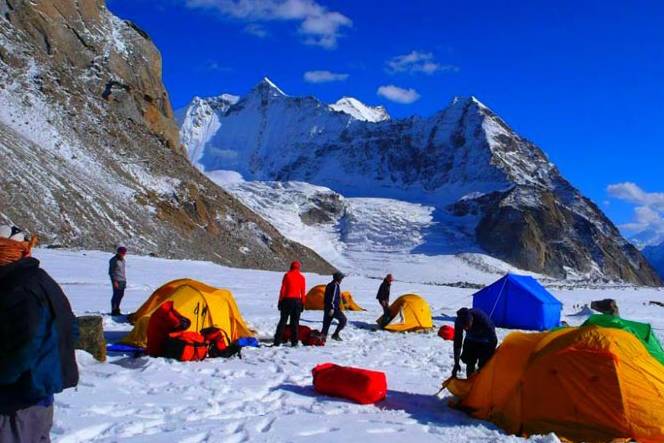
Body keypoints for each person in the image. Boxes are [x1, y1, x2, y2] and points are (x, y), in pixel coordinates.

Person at [0, 226, 78, 443]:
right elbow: (71, 328)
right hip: (40, 392)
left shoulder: (16, 288)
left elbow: (22, 348)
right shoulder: (40, 279)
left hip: (16, 399)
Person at [452, 307, 497, 378]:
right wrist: (456, 363)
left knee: (483, 365)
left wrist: (487, 357)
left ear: (472, 320)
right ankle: (470, 381)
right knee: (469, 362)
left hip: (485, 340)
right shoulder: (458, 321)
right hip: (470, 339)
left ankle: (481, 381)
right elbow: (458, 342)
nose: (466, 329)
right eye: (464, 327)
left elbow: (493, 340)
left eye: (467, 326)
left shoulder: (483, 320)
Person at [274, 261, 306, 347]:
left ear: (291, 266)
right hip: (297, 301)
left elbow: (283, 290)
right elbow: (303, 292)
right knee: (295, 323)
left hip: (287, 301)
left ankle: (277, 341)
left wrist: (280, 301)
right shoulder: (302, 277)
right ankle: (294, 342)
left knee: (283, 321)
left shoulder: (287, 275)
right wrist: (303, 303)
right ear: (299, 267)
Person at [321, 272, 347, 341]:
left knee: (326, 324)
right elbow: (332, 297)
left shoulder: (330, 284)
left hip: (327, 307)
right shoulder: (335, 285)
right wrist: (332, 308)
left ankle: (322, 338)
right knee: (343, 320)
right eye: (341, 278)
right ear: (339, 279)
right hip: (333, 308)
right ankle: (335, 334)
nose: (342, 280)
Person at [109, 246, 127, 315]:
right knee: (116, 295)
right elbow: (111, 272)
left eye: (124, 253)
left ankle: (117, 309)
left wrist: (125, 279)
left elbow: (123, 270)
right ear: (118, 252)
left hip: (122, 280)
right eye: (122, 253)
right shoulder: (114, 260)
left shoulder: (123, 260)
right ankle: (114, 310)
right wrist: (114, 281)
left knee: (121, 295)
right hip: (116, 280)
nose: (123, 254)